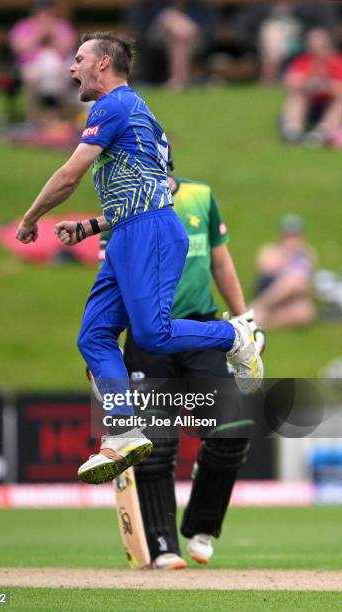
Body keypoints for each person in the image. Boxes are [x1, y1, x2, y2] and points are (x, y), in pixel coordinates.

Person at [15, 31, 263, 486]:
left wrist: (32, 218)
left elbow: (70, 175)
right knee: (94, 338)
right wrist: (93, 226)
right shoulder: (140, 115)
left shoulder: (112, 106)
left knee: (152, 333)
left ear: (103, 64)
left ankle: (234, 334)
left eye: (78, 59)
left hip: (147, 232)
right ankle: (124, 429)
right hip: (133, 231)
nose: (72, 68)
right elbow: (155, 187)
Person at [97, 157, 258, 569]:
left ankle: (202, 526)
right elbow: (110, 278)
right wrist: (105, 353)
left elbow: (221, 262)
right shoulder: (122, 209)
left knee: (233, 429)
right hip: (148, 338)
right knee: (156, 445)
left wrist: (243, 320)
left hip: (200, 331)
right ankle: (162, 544)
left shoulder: (201, 196)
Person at [9, 0, 76, 122]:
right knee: (31, 76)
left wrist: (51, 37)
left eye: (47, 12)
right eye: (40, 12)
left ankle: (60, 115)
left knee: (66, 74)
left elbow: (69, 46)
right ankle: (34, 117)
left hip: (59, 65)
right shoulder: (24, 26)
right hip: (31, 65)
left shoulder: (62, 26)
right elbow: (17, 48)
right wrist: (39, 36)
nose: (44, 15)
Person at [252, 214, 316, 329]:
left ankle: (260, 321)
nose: (292, 239)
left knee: (305, 313)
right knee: (293, 280)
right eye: (289, 235)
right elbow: (268, 271)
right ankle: (258, 307)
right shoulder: (270, 250)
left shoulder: (306, 253)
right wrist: (288, 254)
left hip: (292, 297)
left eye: (295, 235)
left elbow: (307, 281)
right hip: (269, 290)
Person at [281, 28, 342, 146]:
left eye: (320, 46)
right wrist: (307, 84)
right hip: (309, 105)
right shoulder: (303, 62)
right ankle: (293, 131)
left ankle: (323, 132)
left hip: (328, 105)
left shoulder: (337, 62)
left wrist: (326, 86)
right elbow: (290, 83)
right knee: (297, 95)